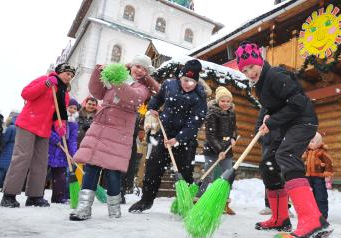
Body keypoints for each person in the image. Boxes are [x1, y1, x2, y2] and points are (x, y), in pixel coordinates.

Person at [235, 42, 330, 238]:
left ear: (259, 61)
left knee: (285, 155)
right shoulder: (260, 85)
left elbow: (297, 102)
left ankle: (312, 219)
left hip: (303, 121)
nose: (249, 73)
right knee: (268, 163)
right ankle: (280, 218)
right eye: (244, 70)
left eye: (252, 67)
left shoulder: (276, 75)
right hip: (288, 125)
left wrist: (274, 121)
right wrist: (266, 120)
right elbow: (272, 107)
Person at [70, 54, 159, 221]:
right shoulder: (119, 75)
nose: (140, 71)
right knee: (91, 167)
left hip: (120, 129)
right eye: (137, 66)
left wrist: (116, 79)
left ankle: (114, 208)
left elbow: (132, 97)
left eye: (144, 69)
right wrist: (99, 72)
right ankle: (83, 207)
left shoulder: (144, 87)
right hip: (101, 126)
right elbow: (97, 92)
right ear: (131, 65)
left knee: (113, 171)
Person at [128, 59, 207, 213]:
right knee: (153, 168)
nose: (188, 84)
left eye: (192, 81)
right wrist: (152, 108)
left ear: (197, 82)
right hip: (163, 135)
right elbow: (157, 99)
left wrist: (178, 139)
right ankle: (146, 200)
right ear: (180, 77)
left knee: (184, 173)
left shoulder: (200, 96)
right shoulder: (169, 85)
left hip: (185, 140)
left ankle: (184, 204)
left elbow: (195, 122)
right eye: (185, 80)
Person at [0, 63, 74, 208]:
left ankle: (35, 196)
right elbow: (26, 94)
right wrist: (46, 84)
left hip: (44, 129)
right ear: (59, 72)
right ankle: (9, 194)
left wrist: (60, 126)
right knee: (22, 157)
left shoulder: (64, 94)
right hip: (28, 123)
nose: (69, 77)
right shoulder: (44, 80)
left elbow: (60, 114)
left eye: (71, 76)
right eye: (67, 73)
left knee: (40, 162)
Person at [197, 86, 237, 215]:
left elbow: (234, 128)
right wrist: (219, 149)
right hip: (212, 149)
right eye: (223, 101)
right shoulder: (212, 113)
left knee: (228, 176)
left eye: (228, 101)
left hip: (227, 149)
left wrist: (233, 137)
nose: (225, 104)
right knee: (208, 175)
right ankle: (197, 199)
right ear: (218, 101)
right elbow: (210, 135)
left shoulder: (232, 113)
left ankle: (224, 203)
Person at [48, 98, 79, 203]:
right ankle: (37, 196)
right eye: (71, 107)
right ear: (66, 107)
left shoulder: (74, 123)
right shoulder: (57, 117)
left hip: (62, 152)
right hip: (51, 149)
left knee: (60, 176)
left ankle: (58, 197)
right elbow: (48, 129)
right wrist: (55, 138)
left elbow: (73, 140)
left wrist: (73, 154)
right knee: (44, 174)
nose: (72, 110)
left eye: (75, 108)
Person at [303, 132, 333, 219]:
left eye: (312, 141)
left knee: (321, 196)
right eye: (309, 142)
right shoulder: (307, 152)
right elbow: (303, 163)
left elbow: (328, 164)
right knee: (310, 196)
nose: (310, 144)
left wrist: (327, 175)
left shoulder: (322, 153)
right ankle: (312, 214)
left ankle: (322, 215)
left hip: (319, 177)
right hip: (308, 177)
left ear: (318, 142)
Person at [0, 116, 17, 190]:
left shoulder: (11, 127)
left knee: (0, 168)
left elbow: (5, 139)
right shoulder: (21, 128)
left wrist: (0, 147)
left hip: (7, 148)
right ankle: (5, 187)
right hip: (16, 149)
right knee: (9, 170)